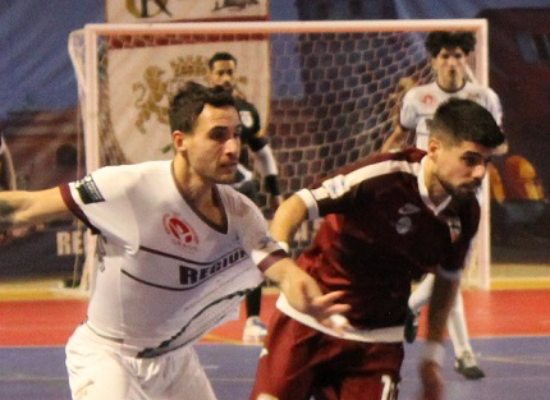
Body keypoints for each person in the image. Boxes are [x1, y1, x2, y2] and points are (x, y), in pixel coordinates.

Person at [0, 82, 349, 400]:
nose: (233, 149)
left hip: (175, 362)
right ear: (181, 141)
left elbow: (280, 267)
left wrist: (301, 287)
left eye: (236, 135)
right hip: (108, 356)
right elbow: (27, 207)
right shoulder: (128, 188)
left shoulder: (240, 213)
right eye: (218, 136)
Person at [249, 98, 505, 400]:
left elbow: (447, 280)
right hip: (308, 319)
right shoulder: (382, 176)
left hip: (377, 340)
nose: (480, 173)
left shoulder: (466, 213)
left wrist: (432, 356)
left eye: (487, 162)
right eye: (470, 159)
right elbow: (294, 207)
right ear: (434, 148)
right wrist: (287, 273)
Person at [381, 31, 504, 380]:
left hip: (467, 198)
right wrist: (380, 169)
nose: (452, 63)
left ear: (467, 60)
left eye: (458, 56)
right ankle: (463, 353)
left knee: (450, 271)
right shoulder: (417, 98)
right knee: (448, 272)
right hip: (425, 196)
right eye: (445, 56)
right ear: (433, 61)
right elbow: (398, 137)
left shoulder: (483, 97)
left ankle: (412, 310)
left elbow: (499, 142)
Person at [207, 51, 283, 343]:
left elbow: (263, 153)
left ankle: (252, 320)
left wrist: (275, 192)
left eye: (230, 72)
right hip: (209, 193)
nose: (226, 78)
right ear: (210, 76)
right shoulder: (200, 110)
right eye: (220, 72)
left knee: (254, 252)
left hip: (241, 194)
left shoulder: (247, 111)